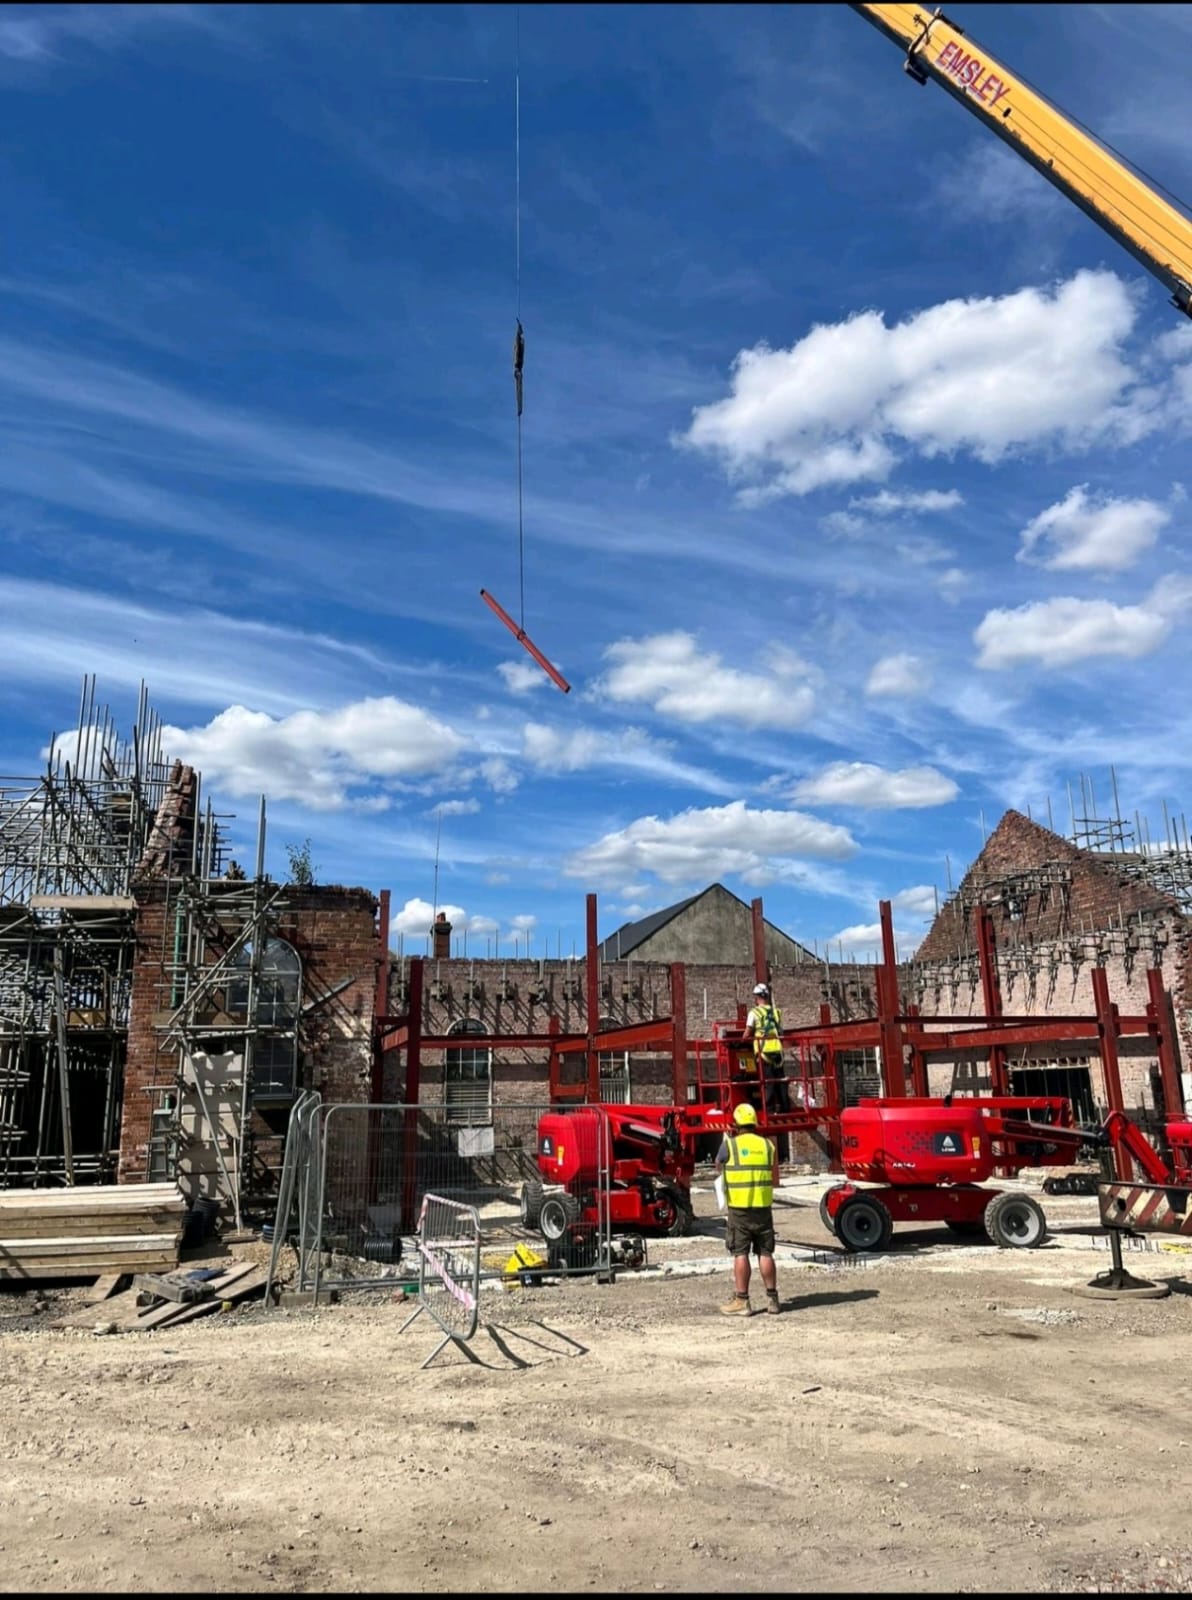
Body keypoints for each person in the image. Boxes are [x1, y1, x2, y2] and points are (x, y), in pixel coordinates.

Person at [715, 1102, 780, 1316]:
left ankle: (742, 1301)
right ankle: (773, 1300)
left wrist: (727, 1140)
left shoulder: (730, 1145)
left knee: (740, 1253)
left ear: (736, 1124)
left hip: (739, 1209)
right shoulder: (768, 1145)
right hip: (763, 1208)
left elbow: (718, 1165)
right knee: (765, 1252)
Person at [744, 981, 793, 1121]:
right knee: (781, 1079)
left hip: (763, 1050)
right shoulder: (776, 1012)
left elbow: (748, 1032)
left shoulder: (754, 1013)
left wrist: (743, 1039)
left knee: (768, 1080)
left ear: (758, 997)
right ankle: (785, 1107)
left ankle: (770, 1109)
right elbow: (779, 1030)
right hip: (777, 1050)